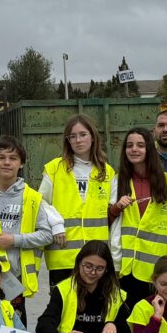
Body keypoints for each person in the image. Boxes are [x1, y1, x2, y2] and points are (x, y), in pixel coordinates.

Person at [0, 136, 60, 326]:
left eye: (13, 158)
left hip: (15, 280)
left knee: (14, 331)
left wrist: (15, 240)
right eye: (1, 157)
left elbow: (46, 235)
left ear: (21, 163)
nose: (7, 162)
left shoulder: (32, 197)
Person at [40, 115, 115, 287]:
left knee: (93, 312)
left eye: (83, 134)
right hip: (63, 255)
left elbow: (113, 212)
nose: (78, 140)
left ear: (93, 137)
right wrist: (56, 224)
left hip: (96, 259)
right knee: (63, 310)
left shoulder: (107, 172)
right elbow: (40, 202)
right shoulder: (55, 168)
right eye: (72, 136)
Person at [111, 128, 167, 305]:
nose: (134, 149)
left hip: (156, 269)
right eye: (129, 145)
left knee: (154, 322)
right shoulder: (117, 181)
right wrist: (116, 208)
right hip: (124, 267)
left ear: (149, 149)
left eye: (140, 145)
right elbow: (104, 222)